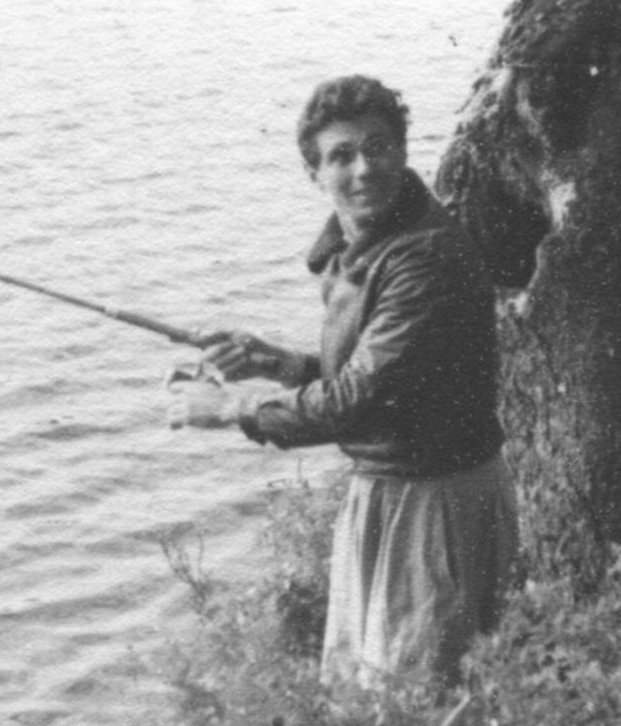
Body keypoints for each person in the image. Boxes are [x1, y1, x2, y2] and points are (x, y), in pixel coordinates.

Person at [169, 75, 518, 690]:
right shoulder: (365, 247)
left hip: (436, 499)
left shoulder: (424, 256)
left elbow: (359, 400)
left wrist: (233, 408)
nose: (365, 168)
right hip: (390, 490)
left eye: (379, 147)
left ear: (403, 151)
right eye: (341, 156)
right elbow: (389, 380)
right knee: (379, 689)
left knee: (417, 696)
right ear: (315, 173)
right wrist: (284, 366)